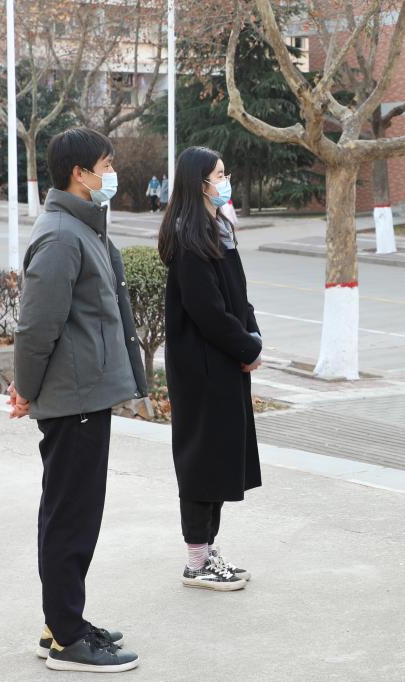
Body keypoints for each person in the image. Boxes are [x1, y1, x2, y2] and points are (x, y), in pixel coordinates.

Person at [8, 127, 147, 673]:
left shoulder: (81, 226)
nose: (111, 173)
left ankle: (60, 621)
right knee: (72, 517)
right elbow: (36, 326)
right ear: (80, 173)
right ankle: (67, 639)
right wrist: (25, 388)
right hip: (75, 398)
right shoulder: (63, 236)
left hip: (84, 393)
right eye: (105, 165)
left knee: (71, 512)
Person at [157, 146, 262, 592]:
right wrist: (245, 345)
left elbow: (237, 297)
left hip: (223, 362)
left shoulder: (216, 228)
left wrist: (253, 337)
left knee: (218, 457)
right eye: (219, 175)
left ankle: (207, 549)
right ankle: (196, 560)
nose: (225, 181)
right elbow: (208, 312)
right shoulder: (189, 238)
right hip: (202, 368)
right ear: (199, 183)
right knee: (202, 460)